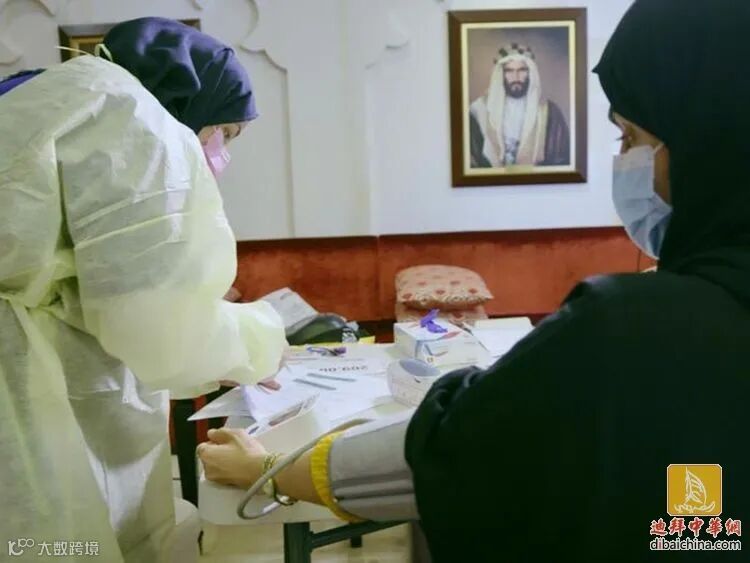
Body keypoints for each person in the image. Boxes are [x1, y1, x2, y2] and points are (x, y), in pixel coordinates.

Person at [199, 0, 750, 560]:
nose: (624, 160)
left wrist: (271, 469)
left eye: (629, 138)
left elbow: (460, 441)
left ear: (708, 140)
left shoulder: (635, 324)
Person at [0, 17, 287, 563]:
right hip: (20, 379)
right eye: (226, 133)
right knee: (49, 539)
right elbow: (158, 328)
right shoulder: (134, 118)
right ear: (193, 102)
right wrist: (259, 342)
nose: (222, 153)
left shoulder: (49, 92)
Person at [469, 42, 570, 168]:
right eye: (509, 71)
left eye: (522, 70)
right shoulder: (479, 110)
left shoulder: (549, 112)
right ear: (501, 74)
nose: (515, 77)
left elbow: (560, 158)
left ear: (530, 73)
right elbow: (471, 158)